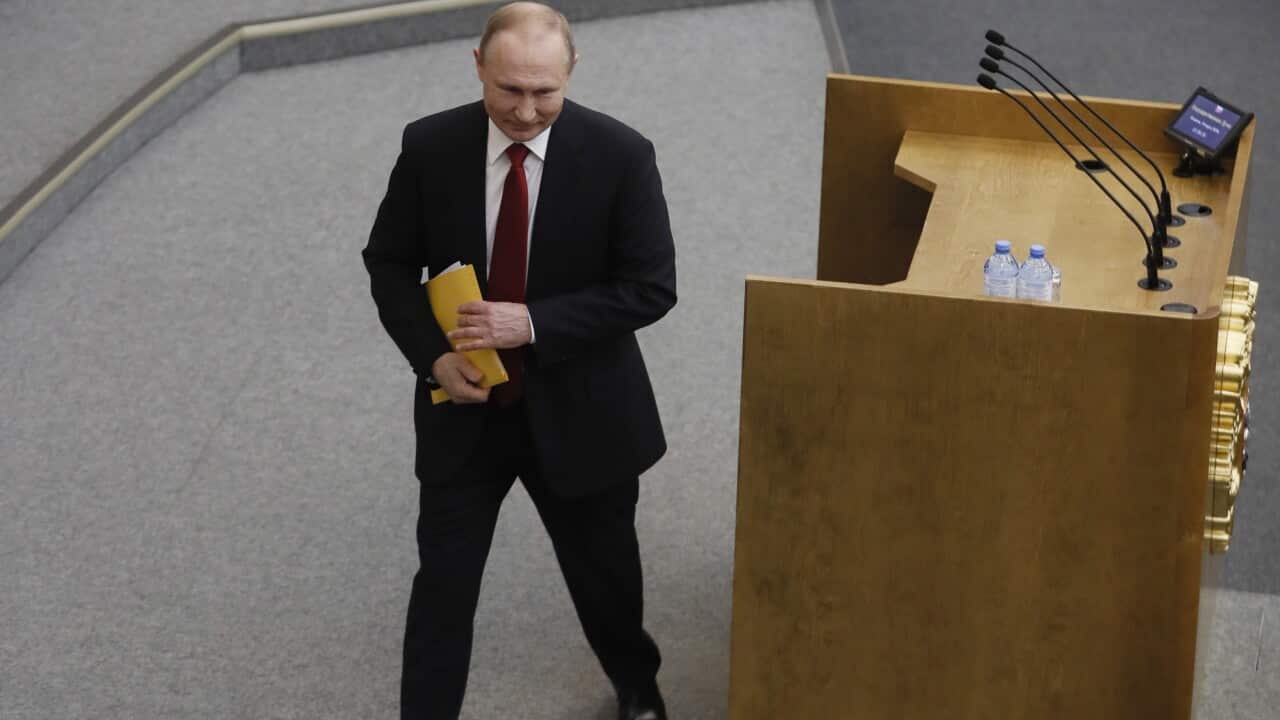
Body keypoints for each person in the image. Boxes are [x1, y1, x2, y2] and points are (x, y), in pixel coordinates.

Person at [361, 3, 676, 719]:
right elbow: (387, 263)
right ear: (477, 67)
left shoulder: (621, 155)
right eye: (509, 91)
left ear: (571, 74)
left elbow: (650, 288)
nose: (527, 111)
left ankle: (638, 690)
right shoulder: (431, 146)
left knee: (606, 583)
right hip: (467, 410)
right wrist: (433, 358)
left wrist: (530, 323)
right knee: (442, 589)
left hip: (583, 414)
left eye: (545, 92)